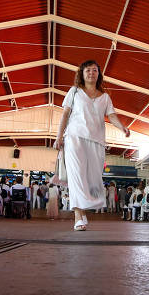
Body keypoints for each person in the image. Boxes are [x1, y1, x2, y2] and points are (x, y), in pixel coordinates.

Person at [54, 60, 130, 231]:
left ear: (99, 74)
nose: (91, 73)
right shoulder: (74, 92)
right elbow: (65, 115)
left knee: (91, 179)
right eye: (87, 70)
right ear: (81, 73)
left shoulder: (105, 97)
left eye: (94, 70)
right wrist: (59, 137)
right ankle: (77, 217)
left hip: (96, 141)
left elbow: (112, 116)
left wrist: (122, 127)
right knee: (77, 176)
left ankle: (82, 212)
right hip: (74, 138)